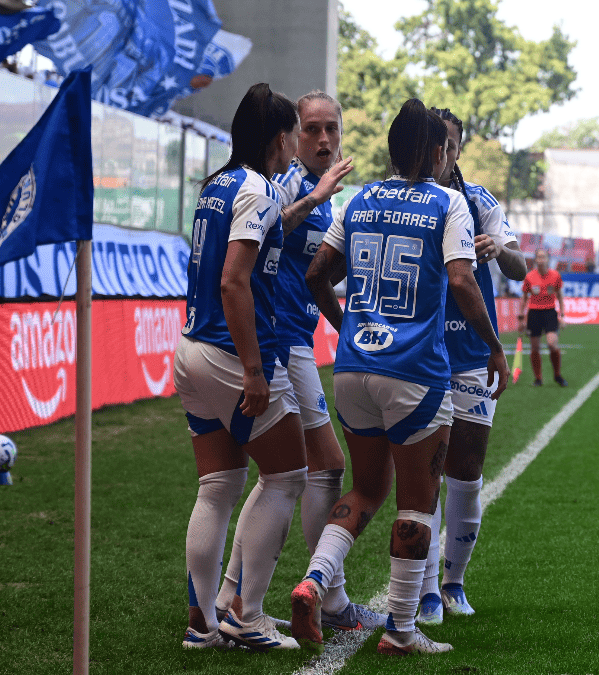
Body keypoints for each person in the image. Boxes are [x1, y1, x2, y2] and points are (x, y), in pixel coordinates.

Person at [291, 98, 509, 656]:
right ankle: (401, 630)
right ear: (437, 152)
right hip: (415, 372)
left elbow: (318, 276)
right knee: (415, 502)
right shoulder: (447, 203)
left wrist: (350, 328)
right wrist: (494, 346)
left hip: (355, 368)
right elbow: (463, 281)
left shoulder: (359, 199)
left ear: (389, 151)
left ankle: (314, 580)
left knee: (366, 490)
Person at [211, 90, 384, 633]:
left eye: (332, 128)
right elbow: (260, 239)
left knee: (276, 477)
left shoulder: (323, 191)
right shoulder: (289, 182)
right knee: (321, 468)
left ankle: (228, 596)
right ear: (290, 135)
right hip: (282, 341)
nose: (324, 140)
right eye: (312, 129)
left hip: (293, 339)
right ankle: (329, 599)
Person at [174, 83, 306, 651]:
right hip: (232, 356)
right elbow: (234, 280)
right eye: (296, 133)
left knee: (218, 486)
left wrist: (312, 198)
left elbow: (255, 239)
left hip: (191, 350)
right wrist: (254, 371)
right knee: (286, 474)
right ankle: (246, 615)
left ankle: (202, 621)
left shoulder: (218, 185)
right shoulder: (257, 188)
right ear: (280, 138)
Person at [414, 107, 526, 625]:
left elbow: (520, 269)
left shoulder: (478, 201)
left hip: (471, 352)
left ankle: (454, 582)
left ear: (458, 149)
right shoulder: (410, 197)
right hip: (419, 350)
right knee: (426, 473)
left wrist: (497, 247)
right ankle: (427, 588)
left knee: (467, 470)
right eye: (438, 144)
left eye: (452, 146)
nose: (443, 155)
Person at [519, 249, 567, 387]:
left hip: (550, 313)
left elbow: (560, 296)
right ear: (535, 260)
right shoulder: (529, 277)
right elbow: (524, 298)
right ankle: (538, 378)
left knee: (552, 343)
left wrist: (562, 315)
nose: (541, 259)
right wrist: (521, 318)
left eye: (543, 257)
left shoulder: (555, 275)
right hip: (534, 313)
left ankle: (557, 375)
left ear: (548, 259)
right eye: (538, 257)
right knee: (535, 347)